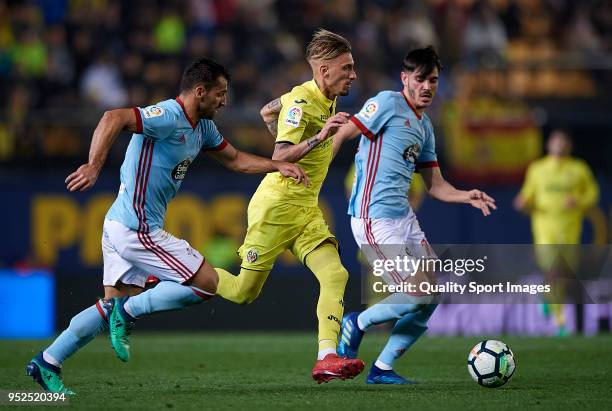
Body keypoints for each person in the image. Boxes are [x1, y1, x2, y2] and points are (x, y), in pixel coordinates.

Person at [26, 58, 308, 394]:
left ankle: (48, 361)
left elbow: (234, 159)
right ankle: (129, 311)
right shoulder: (167, 116)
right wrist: (93, 165)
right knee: (206, 283)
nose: (224, 101)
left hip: (119, 224)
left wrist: (276, 165)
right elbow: (112, 117)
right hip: (136, 228)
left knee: (107, 308)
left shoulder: (203, 128)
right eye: (220, 94)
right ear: (200, 91)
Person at [333, 46, 497, 384]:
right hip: (373, 218)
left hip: (404, 219)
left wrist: (466, 195)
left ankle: (382, 369)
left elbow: (435, 185)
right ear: (405, 78)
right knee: (419, 292)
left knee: (430, 297)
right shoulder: (387, 103)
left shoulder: (424, 127)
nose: (427, 86)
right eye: (420, 79)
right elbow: (346, 131)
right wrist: (319, 164)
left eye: (433, 80)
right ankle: (357, 323)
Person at [213, 29, 365, 383]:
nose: (353, 75)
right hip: (277, 206)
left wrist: (285, 130)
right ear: (324, 71)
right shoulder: (302, 103)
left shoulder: (317, 97)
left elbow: (268, 111)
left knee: (336, 274)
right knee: (242, 292)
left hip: (306, 208)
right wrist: (320, 136)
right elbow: (279, 154)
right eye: (347, 68)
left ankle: (326, 356)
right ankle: (185, 270)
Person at [513, 129, 599, 335]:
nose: (560, 144)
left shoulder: (579, 169)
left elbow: (593, 194)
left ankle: (547, 299)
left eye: (563, 141)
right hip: (545, 230)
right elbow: (527, 194)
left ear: (569, 145)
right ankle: (559, 319)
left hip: (570, 231)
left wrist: (579, 201)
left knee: (565, 275)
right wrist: (523, 202)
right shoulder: (538, 169)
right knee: (553, 270)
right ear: (549, 145)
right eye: (556, 141)